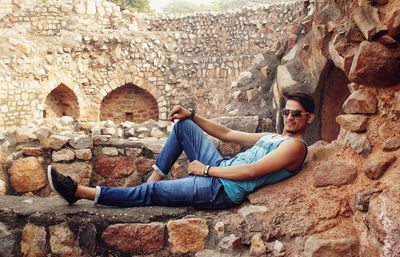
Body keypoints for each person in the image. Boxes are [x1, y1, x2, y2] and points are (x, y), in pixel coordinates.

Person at [48, 92, 315, 209]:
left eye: (296, 114)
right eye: (287, 111)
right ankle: (153, 178)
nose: (290, 117)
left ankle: (79, 193)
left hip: (221, 189)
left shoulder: (295, 148)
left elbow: (251, 170)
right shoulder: (273, 137)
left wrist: (206, 170)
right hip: (222, 169)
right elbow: (228, 133)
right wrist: (193, 115)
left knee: (151, 194)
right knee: (183, 126)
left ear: (309, 119)